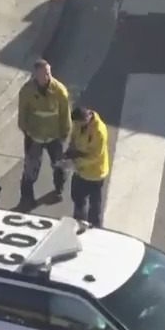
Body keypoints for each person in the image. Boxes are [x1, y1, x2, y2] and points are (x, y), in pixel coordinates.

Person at [17, 59, 72, 209]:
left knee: (59, 167)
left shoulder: (60, 91)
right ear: (35, 75)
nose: (47, 77)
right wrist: (26, 131)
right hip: (34, 136)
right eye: (44, 74)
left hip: (54, 137)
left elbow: (65, 115)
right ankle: (26, 198)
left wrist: (64, 134)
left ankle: (58, 189)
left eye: (48, 73)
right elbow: (22, 114)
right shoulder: (27, 91)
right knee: (30, 169)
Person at [63, 106, 110, 227]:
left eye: (79, 123)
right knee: (77, 197)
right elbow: (73, 138)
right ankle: (79, 222)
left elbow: (95, 156)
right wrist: (69, 152)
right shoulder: (79, 124)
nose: (77, 125)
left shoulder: (99, 131)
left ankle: (95, 226)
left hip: (95, 173)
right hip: (81, 171)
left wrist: (76, 162)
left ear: (87, 118)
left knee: (95, 203)